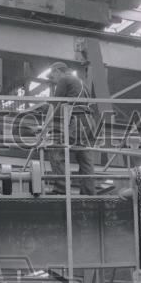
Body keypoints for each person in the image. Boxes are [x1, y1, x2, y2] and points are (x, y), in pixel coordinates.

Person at [43, 61, 96, 196]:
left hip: (77, 121)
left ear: (57, 71)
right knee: (85, 157)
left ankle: (61, 188)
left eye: (52, 76)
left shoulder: (64, 79)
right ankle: (88, 192)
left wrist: (45, 128)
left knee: (56, 149)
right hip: (89, 121)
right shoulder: (82, 83)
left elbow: (55, 106)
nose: (53, 79)